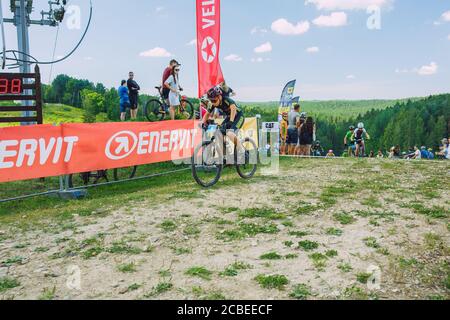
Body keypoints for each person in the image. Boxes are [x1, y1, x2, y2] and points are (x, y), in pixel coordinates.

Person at [203, 86, 246, 161]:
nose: (213, 102)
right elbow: (207, 114)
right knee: (218, 133)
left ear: (219, 96)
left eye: (214, 100)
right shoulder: (212, 104)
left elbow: (233, 108)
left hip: (238, 116)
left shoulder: (226, 99)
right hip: (229, 117)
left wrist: (231, 121)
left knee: (230, 133)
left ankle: (243, 151)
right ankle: (225, 156)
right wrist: (203, 123)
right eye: (211, 100)